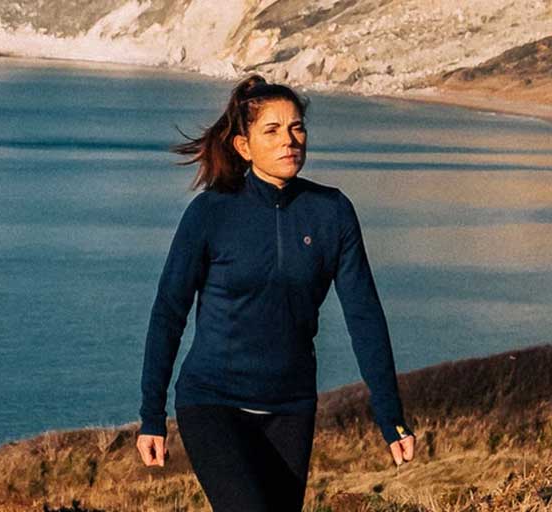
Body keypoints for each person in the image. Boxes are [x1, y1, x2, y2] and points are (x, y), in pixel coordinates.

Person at [136, 75, 418, 510]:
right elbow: (169, 313)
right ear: (244, 146)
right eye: (272, 130)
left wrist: (390, 415)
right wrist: (152, 415)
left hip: (291, 407)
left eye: (296, 127)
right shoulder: (210, 212)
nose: (289, 140)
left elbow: (364, 316)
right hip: (213, 402)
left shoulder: (332, 211)